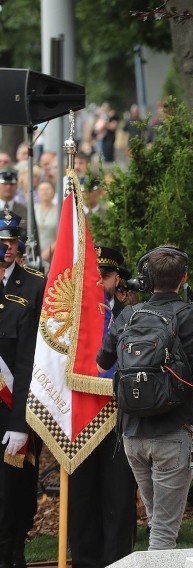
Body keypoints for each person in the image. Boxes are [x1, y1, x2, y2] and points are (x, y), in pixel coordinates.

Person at [96, 245, 193, 550]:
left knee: (157, 524)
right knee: (164, 534)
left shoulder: (127, 315)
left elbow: (102, 363)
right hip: (172, 434)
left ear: (146, 278)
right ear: (184, 277)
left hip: (131, 435)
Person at [69, 246, 138, 567]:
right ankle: (84, 561)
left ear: (117, 279)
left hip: (118, 418)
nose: (99, 281)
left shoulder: (131, 315)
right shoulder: (70, 316)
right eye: (94, 275)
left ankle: (118, 562)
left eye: (106, 276)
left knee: (119, 499)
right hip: (78, 415)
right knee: (81, 499)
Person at [0, 216, 40, 568]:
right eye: (2, 241)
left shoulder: (34, 286)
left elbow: (32, 360)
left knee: (15, 495)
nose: (7, 247)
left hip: (14, 409)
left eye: (12, 241)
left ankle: (13, 556)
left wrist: (21, 421)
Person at [34, 181, 59, 267]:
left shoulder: (59, 210)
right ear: (37, 192)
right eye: (42, 189)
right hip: (34, 254)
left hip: (54, 254)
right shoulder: (33, 209)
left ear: (53, 192)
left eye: (47, 189)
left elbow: (63, 234)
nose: (44, 192)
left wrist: (48, 251)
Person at [0, 172, 27, 239]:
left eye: (12, 184)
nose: (8, 187)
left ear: (16, 186)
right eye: (5, 184)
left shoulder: (25, 211)